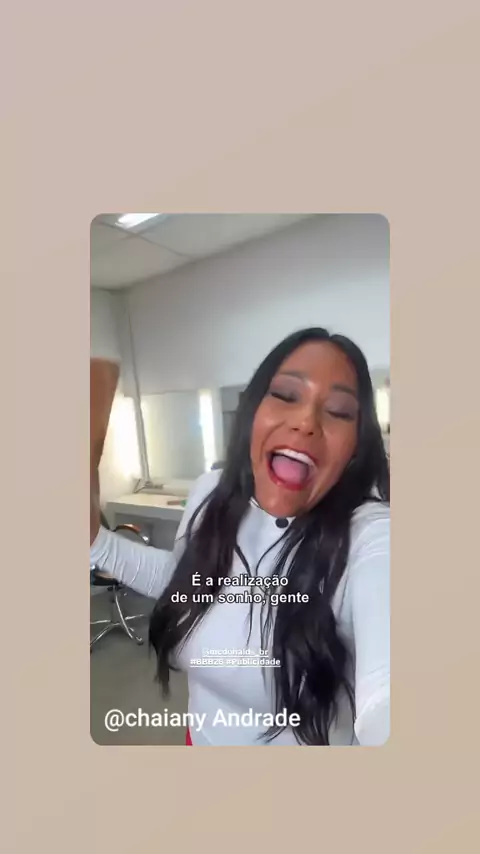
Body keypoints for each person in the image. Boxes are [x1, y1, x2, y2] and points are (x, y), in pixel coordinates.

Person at [90, 327, 390, 746]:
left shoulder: (370, 535)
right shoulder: (210, 491)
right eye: (285, 395)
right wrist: (95, 542)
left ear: (356, 447)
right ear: (252, 411)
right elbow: (183, 582)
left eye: (339, 411)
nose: (306, 422)